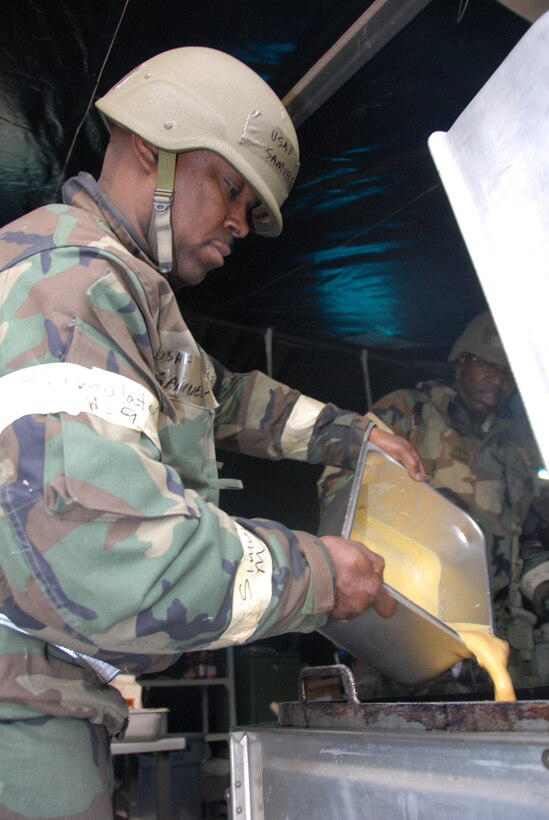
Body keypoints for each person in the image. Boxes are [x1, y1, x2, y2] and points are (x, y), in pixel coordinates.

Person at [0, 47, 425, 819]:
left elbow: (214, 394)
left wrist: (347, 435)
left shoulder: (124, 290)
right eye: (230, 187)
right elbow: (110, 554)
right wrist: (318, 575)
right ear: (148, 147)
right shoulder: (73, 282)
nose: (240, 222)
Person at [319, 311, 549, 696]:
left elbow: (526, 540)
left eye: (508, 372)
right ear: (462, 361)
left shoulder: (519, 444)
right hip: (413, 625)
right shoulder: (410, 412)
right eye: (488, 366)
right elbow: (339, 481)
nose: (498, 379)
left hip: (498, 634)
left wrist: (543, 586)